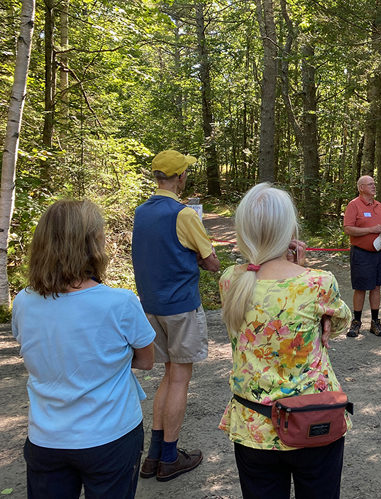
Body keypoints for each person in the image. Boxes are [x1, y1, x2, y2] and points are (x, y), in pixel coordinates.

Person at [12, 200, 156, 499]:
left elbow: (32, 351)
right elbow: (145, 361)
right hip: (111, 434)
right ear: (93, 244)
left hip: (46, 437)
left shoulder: (24, 302)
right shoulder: (120, 302)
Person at [218, 183, 352, 499]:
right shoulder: (317, 283)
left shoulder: (230, 281)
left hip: (253, 426)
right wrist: (301, 269)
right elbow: (341, 325)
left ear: (243, 230)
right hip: (315, 418)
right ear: (290, 230)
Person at [132, 149, 220, 481]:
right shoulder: (183, 214)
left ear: (157, 177)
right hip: (181, 307)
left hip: (151, 307)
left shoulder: (141, 212)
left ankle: (153, 456)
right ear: (180, 177)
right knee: (180, 379)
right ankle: (169, 457)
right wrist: (199, 259)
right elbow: (211, 261)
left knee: (167, 377)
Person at [343, 175, 381, 337]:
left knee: (376, 287)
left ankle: (375, 323)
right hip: (361, 253)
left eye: (374, 183)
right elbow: (348, 229)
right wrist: (371, 230)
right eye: (370, 184)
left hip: (379, 253)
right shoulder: (354, 205)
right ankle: (356, 322)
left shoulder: (379, 205)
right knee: (361, 287)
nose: (373, 186)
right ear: (361, 187)